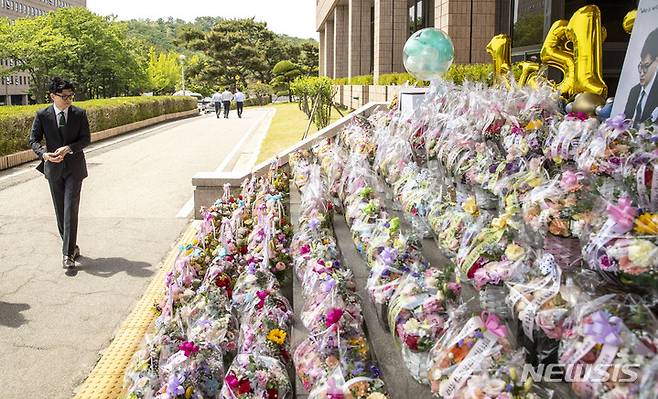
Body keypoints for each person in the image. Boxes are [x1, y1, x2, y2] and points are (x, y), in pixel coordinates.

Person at [29, 77, 91, 269]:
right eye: (64, 96)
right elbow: (33, 140)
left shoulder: (79, 114)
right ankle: (71, 245)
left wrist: (69, 148)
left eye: (71, 96)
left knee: (70, 207)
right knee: (60, 210)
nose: (68, 99)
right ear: (52, 96)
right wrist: (44, 154)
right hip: (53, 168)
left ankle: (67, 254)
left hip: (74, 168)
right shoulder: (42, 115)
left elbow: (85, 139)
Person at [624, 27, 658, 127]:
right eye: (640, 66)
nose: (641, 73)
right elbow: (626, 120)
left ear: (656, 62)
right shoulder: (634, 91)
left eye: (646, 66)